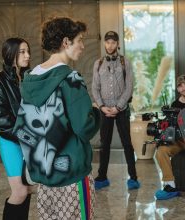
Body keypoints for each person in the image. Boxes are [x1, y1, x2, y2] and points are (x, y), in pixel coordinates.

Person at [13, 17, 100, 219]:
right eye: (80, 40)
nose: (83, 46)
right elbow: (84, 127)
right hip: (72, 175)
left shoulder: (32, 77)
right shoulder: (70, 79)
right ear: (66, 42)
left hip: (44, 176)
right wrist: (95, 111)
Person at [0, 37, 32, 220]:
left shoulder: (30, 78)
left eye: (28, 51)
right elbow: (0, 123)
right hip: (12, 142)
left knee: (27, 189)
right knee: (19, 191)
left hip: (30, 141)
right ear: (10, 54)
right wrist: (28, 137)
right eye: (22, 52)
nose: (27, 55)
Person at [92, 31, 140, 190]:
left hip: (122, 109)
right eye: (108, 42)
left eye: (113, 42)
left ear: (118, 43)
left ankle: (133, 177)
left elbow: (129, 87)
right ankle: (102, 176)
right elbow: (95, 87)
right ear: (104, 44)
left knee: (127, 143)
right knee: (104, 143)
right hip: (104, 110)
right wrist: (102, 106)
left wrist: (118, 107)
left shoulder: (125, 62)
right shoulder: (98, 63)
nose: (110, 45)